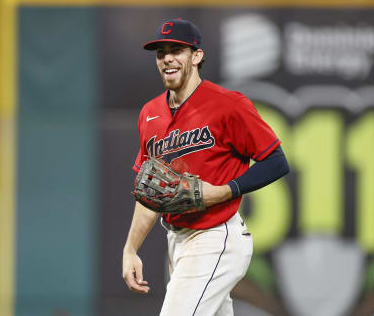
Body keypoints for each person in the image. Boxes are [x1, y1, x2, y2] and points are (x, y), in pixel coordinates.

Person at [122, 18, 290, 316]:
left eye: (177, 50)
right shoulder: (150, 114)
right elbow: (149, 193)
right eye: (161, 53)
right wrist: (131, 249)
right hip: (177, 241)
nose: (167, 58)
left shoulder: (228, 104)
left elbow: (276, 160)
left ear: (196, 56)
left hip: (215, 236)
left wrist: (225, 190)